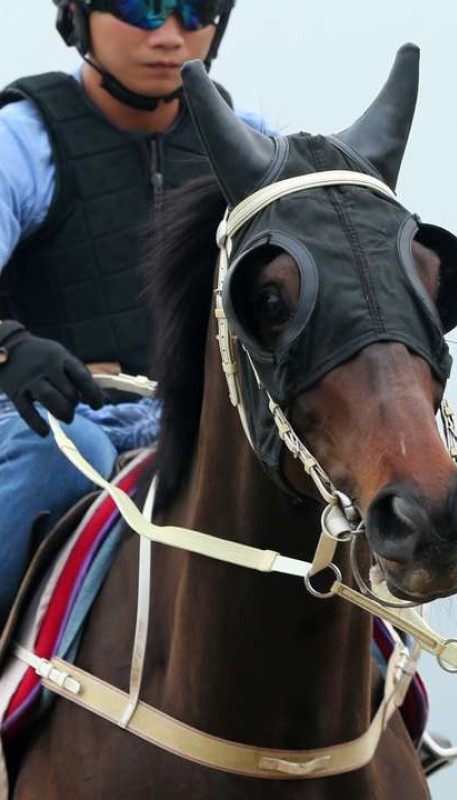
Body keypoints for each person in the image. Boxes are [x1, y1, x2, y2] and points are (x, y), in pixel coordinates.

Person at [0, 0, 270, 615]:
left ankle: (386, 667)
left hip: (203, 427)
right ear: (76, 14)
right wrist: (9, 345)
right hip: (44, 420)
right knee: (66, 453)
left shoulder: (253, 147)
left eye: (195, 11)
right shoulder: (20, 139)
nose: (171, 36)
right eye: (142, 8)